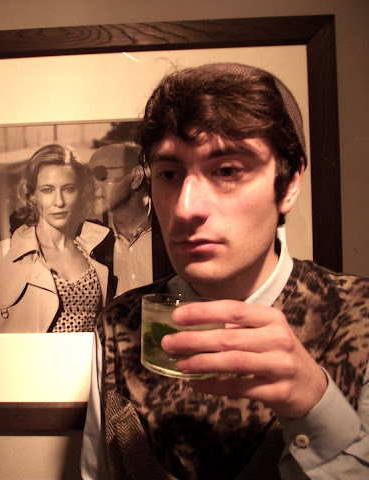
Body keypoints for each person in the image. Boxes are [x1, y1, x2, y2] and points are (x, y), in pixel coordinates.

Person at [81, 63, 369, 479]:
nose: (185, 208)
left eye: (228, 171)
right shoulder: (120, 324)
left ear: (289, 184)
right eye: (168, 174)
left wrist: (316, 405)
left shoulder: (357, 317)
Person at [0, 143, 110, 333]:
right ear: (32, 195)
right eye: (47, 190)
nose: (59, 202)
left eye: (68, 189)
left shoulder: (97, 251)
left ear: (80, 193)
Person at [88, 143, 173, 297]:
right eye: (88, 177)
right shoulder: (92, 242)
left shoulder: (172, 234)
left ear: (136, 177)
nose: (91, 185)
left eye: (100, 174)